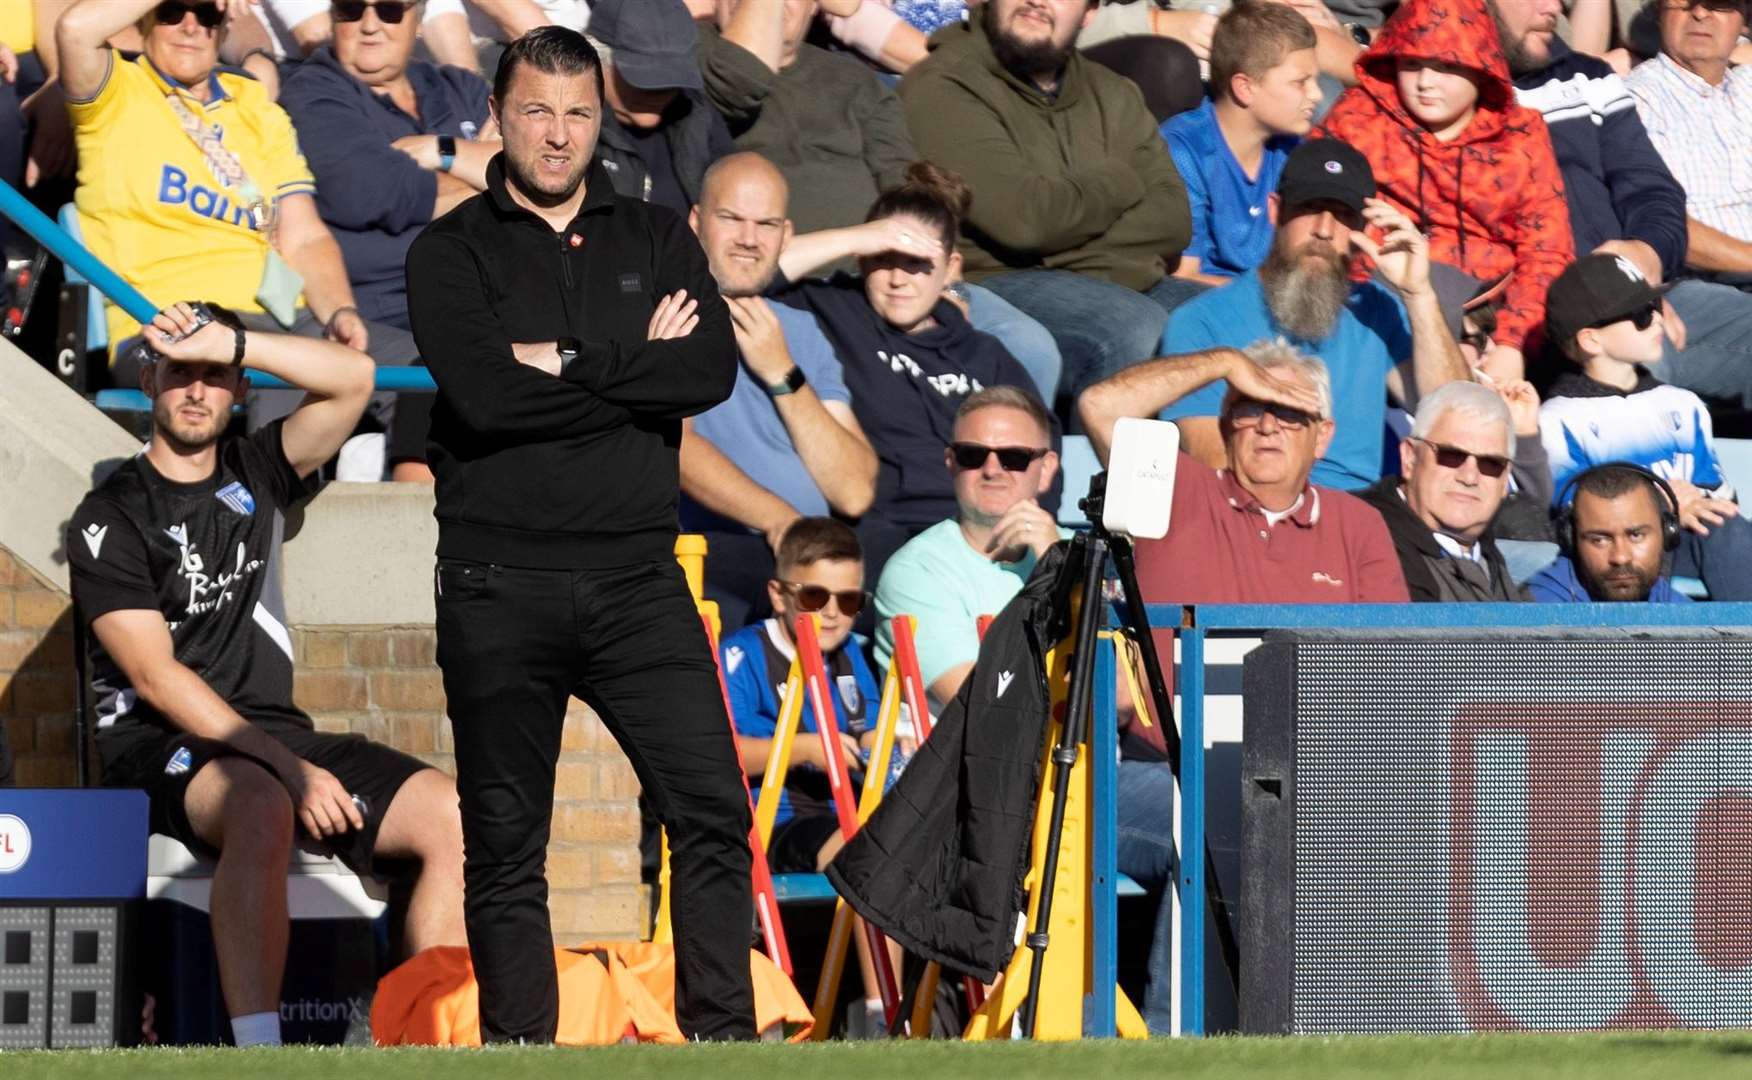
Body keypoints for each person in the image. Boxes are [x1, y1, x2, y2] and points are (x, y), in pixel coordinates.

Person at [405, 28, 755, 1042]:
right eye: (536, 112)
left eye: (576, 113)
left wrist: (552, 362)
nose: (557, 136)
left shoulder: (655, 237)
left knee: (712, 816)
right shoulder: (450, 250)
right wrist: (621, 368)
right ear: (497, 117)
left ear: (602, 119)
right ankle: (524, 1056)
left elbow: (704, 375)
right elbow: (479, 394)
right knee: (509, 843)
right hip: (495, 580)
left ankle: (724, 1047)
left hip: (640, 581)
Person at [66, 301, 466, 1049]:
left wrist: (236, 338)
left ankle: (432, 1036)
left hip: (273, 739)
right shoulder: (110, 514)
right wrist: (291, 771)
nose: (196, 391)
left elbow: (354, 378)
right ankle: (260, 1051)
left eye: (215, 375)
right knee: (260, 801)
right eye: (179, 373)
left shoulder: (258, 470)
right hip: (161, 751)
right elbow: (154, 679)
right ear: (149, 379)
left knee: (453, 815)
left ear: (240, 389)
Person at [874, 385, 1185, 1037]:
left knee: (1211, 814)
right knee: (1191, 820)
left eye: (1014, 456)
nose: (993, 468)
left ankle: (1174, 1033)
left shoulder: (1081, 554)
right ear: (949, 463)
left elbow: (1127, 699)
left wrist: (1056, 564)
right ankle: (1155, 1031)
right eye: (974, 453)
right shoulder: (918, 569)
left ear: (1048, 470)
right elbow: (983, 707)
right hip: (983, 791)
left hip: (1089, 780)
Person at [56, 0, 420, 382]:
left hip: (285, 322)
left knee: (435, 372)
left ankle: (375, 444)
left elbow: (306, 238)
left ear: (224, 27)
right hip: (176, 327)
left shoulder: (254, 104)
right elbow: (75, 30)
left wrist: (341, 312)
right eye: (172, 12)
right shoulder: (116, 91)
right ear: (145, 22)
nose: (190, 27)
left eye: (207, 15)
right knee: (289, 382)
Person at [1083, 137, 1470, 493]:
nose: (1323, 229)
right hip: (1258, 515)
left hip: (1363, 522)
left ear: (1363, 229)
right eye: (1308, 209)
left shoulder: (1376, 310)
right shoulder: (1201, 321)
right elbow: (1215, 466)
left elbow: (1457, 415)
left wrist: (1418, 294)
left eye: (1341, 215)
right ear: (1275, 210)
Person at [898, 0, 1200, 400]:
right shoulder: (944, 84)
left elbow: (1174, 220)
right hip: (994, 279)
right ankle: (1093, 464)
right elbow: (1025, 221)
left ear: (1090, 14)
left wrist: (1067, 242)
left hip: (1112, 280)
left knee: (1225, 317)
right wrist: (1123, 178)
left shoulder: (1114, 92)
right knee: (1133, 325)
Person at [771, 161, 1048, 584]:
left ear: (951, 267)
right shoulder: (836, 311)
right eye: (883, 259)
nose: (898, 279)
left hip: (979, 535)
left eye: (917, 263)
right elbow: (745, 275)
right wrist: (856, 237)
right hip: (881, 534)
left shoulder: (984, 354)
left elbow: (1039, 447)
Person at [1489, 0, 1752, 408]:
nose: (1555, 8)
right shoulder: (1446, 95)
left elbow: (1653, 193)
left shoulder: (1588, 78)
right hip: (1567, 311)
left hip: (1659, 290)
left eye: (1719, 3)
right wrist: (1618, 284)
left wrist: (1643, 254)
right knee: (1625, 357)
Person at [1319, 0, 1574, 382]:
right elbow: (1310, 204)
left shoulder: (1521, 135)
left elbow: (1546, 248)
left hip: (1486, 313)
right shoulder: (1358, 115)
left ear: (1481, 68)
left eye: (1446, 67)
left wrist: (1512, 343)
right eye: (1411, 64)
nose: (1425, 83)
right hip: (1376, 300)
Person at [681, 152, 879, 631]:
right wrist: (782, 524)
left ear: (786, 236)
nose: (749, 239)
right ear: (696, 222)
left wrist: (782, 371)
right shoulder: (668, 313)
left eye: (766, 225)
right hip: (715, 547)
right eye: (731, 219)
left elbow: (853, 489)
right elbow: (671, 446)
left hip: (807, 556)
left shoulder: (799, 330)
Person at [719, 516, 890, 1039]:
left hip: (844, 812)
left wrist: (879, 742)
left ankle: (894, 1005)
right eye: (816, 596)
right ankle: (882, 1010)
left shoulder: (851, 657)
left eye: (850, 600)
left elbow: (866, 728)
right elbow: (723, 752)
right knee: (870, 848)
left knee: (900, 837)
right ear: (779, 594)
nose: (835, 613)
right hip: (771, 820)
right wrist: (804, 748)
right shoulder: (743, 653)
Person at [1082, 340, 1410, 604]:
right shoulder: (1174, 489)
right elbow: (1100, 407)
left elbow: (1388, 657)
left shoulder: (1358, 524)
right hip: (1177, 689)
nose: (1267, 426)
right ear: (1225, 430)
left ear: (1321, 437)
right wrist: (1226, 362)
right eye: (1250, 409)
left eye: (1289, 412)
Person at [1538, 253, 1752, 597]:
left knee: (1726, 527)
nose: (1657, 321)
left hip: (1687, 545)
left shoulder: (1684, 403)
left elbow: (1720, 494)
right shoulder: (1558, 420)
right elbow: (1577, 519)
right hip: (1619, 560)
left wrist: (1697, 501)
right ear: (1591, 340)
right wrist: (1661, 506)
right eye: (1640, 315)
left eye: (1656, 307)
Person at [278, 0, 498, 333]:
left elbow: (539, 168)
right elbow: (377, 192)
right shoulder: (312, 92)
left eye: (389, 10)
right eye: (352, 9)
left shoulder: (461, 87)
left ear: (419, 20)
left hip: (496, 290)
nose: (369, 25)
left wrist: (442, 151)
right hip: (395, 311)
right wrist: (489, 173)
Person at [698, 0, 915, 237]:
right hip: (751, 258)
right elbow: (736, 84)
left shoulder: (857, 81)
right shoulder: (690, 55)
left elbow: (900, 180)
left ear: (814, 5)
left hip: (863, 265)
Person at [1162, 1, 1322, 286]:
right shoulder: (1184, 152)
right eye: (1301, 82)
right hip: (1203, 304)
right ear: (1245, 88)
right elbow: (1183, 277)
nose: (1317, 95)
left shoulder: (1290, 148)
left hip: (1270, 294)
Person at [1356, 381, 1531, 601]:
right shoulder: (1358, 535)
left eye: (1490, 463)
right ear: (1410, 457)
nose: (1469, 477)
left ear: (1505, 479)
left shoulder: (1490, 559)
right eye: (1451, 455)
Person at [1624, 0, 1752, 284]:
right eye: (1683, 1)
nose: (1700, 12)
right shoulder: (1636, 102)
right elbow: (1660, 222)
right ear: (1660, 14)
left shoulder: (1747, 86)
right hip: (1705, 285)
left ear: (1743, 22)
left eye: (1719, 3)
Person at [586, 0, 734, 218]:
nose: (661, 92)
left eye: (672, 78)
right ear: (596, 61)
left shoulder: (697, 116)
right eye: (645, 79)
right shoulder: (567, 127)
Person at [1527, 462, 1694, 601]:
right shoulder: (1539, 609)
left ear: (1667, 533)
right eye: (1599, 540)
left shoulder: (1684, 613)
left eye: (1636, 535)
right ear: (1571, 539)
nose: (1620, 557)